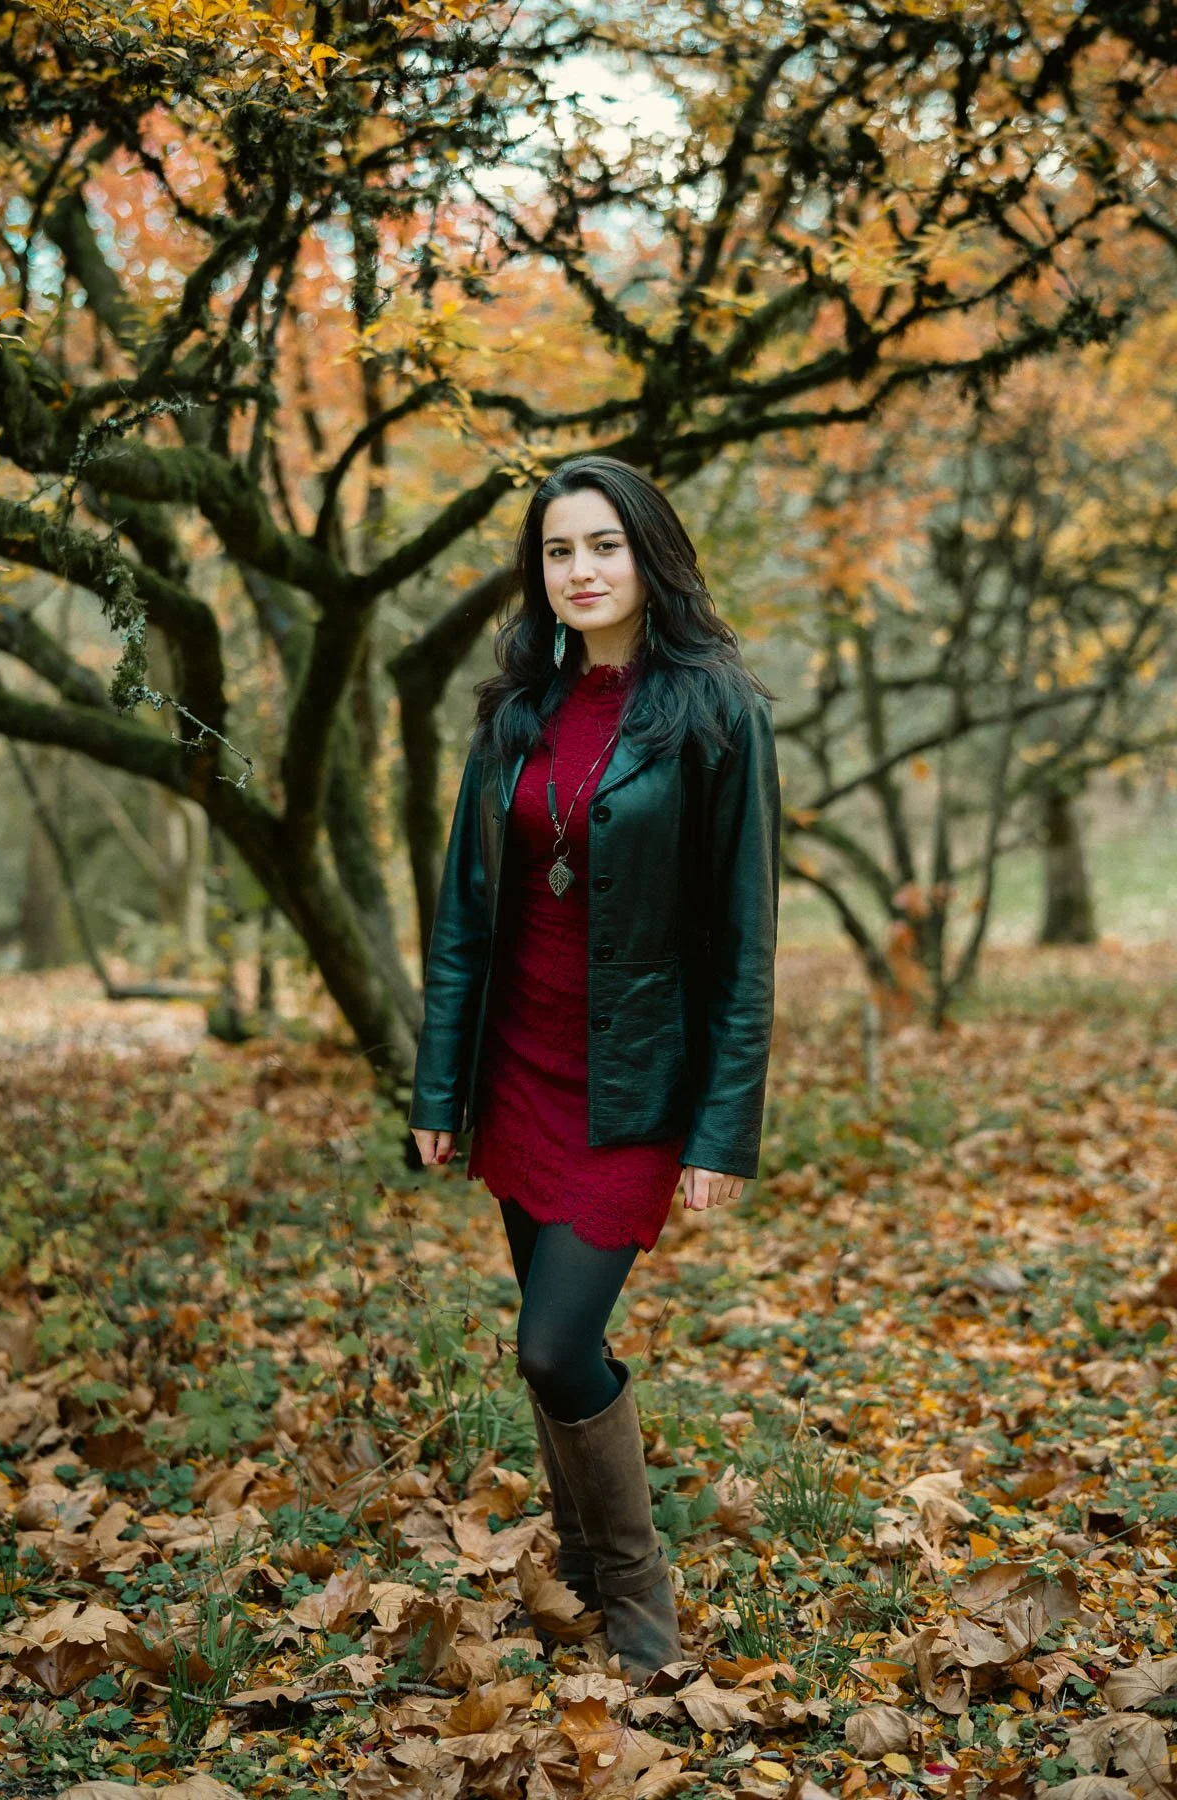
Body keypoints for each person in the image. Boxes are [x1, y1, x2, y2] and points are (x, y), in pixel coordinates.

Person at [408, 454, 780, 1685]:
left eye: (603, 546)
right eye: (559, 552)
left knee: (557, 1346)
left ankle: (637, 1600)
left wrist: (724, 1130)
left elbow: (742, 934)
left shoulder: (716, 709)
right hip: (516, 1067)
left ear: (648, 554)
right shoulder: (513, 713)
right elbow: (465, 915)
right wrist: (437, 1088)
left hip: (635, 1085)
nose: (580, 570)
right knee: (540, 1337)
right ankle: (577, 1559)